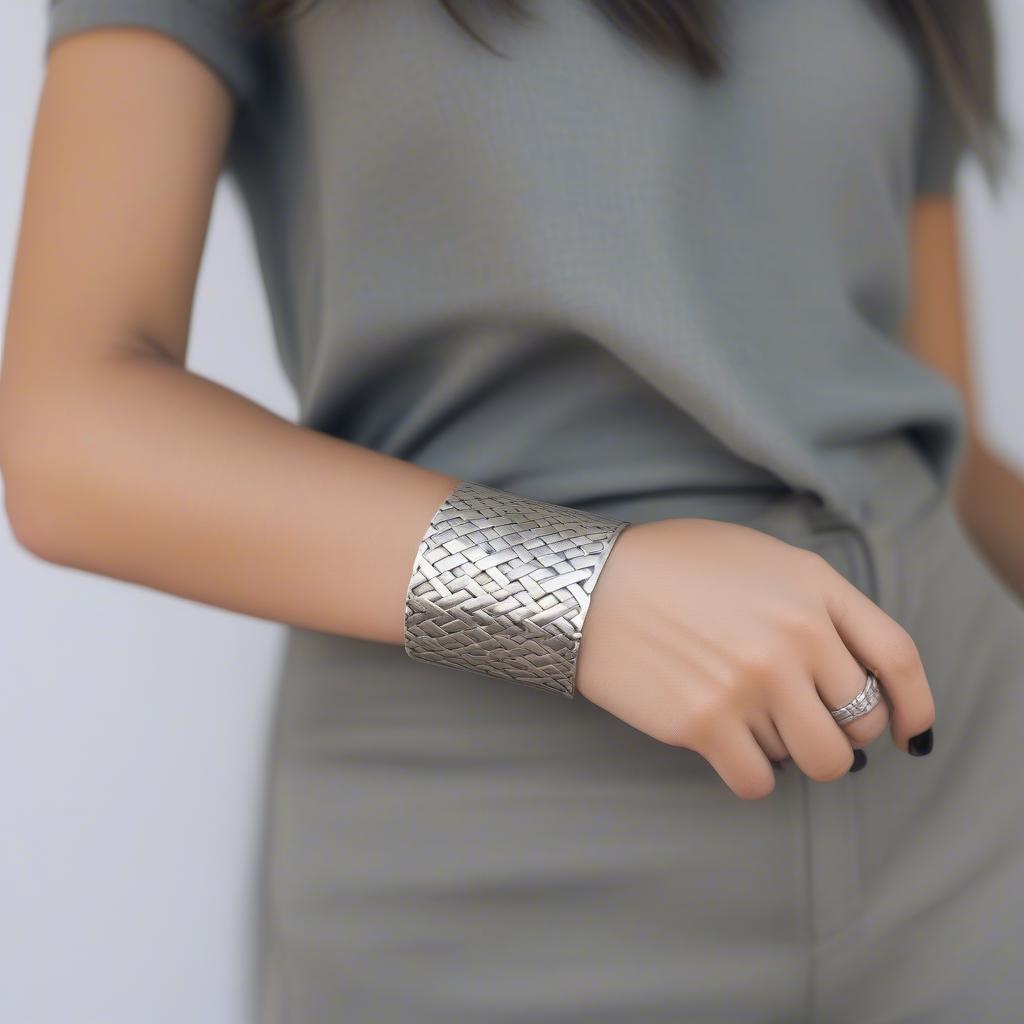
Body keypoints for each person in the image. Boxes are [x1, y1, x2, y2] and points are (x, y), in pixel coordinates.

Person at [2, 0, 1022, 1020]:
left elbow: (943, 440)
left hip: (956, 820)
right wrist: (580, 593)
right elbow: (68, 433)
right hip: (484, 855)